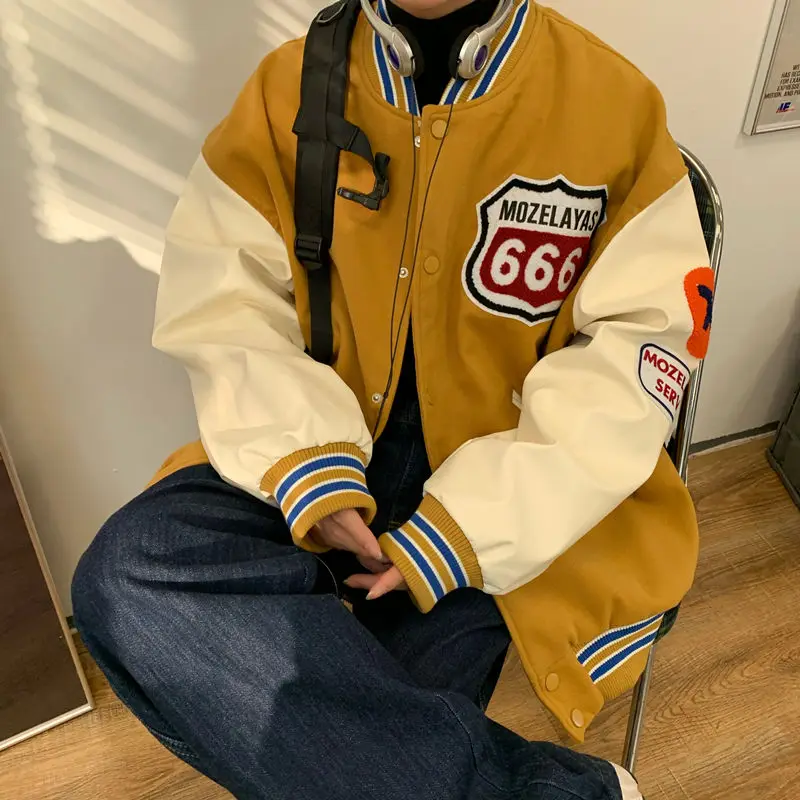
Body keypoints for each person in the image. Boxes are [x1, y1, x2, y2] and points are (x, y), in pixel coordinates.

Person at [72, 0, 714, 797]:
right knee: (128, 575)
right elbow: (225, 305)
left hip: (510, 485)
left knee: (344, 744)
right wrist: (307, 464)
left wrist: (468, 528)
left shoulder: (614, 106)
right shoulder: (285, 91)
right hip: (313, 442)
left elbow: (639, 356)